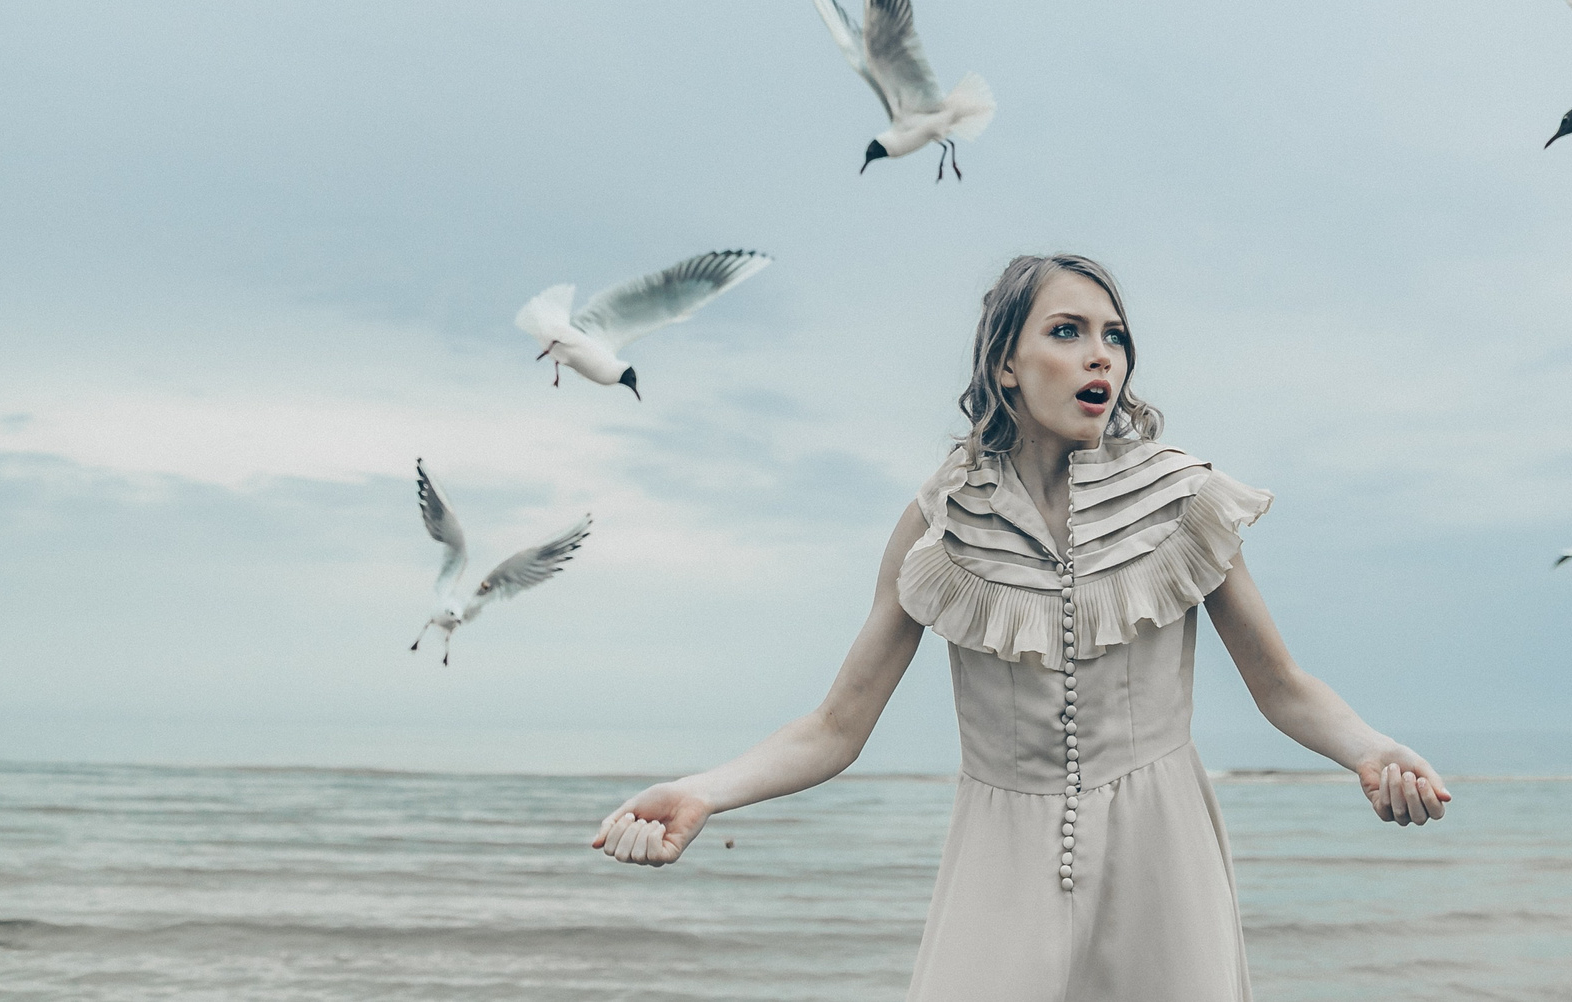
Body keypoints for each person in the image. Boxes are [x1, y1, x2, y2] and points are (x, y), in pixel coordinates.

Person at [591, 252, 1450, 1001]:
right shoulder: (940, 522)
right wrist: (704, 791)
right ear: (1006, 363)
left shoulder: (1181, 498)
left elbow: (1281, 685)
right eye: (1068, 331)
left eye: (1114, 336)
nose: (1101, 355)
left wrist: (1371, 750)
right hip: (997, 860)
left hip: (1163, 854)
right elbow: (835, 727)